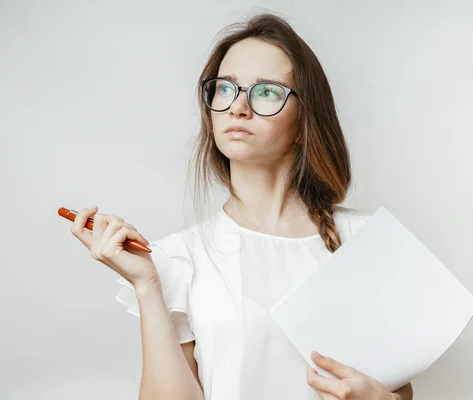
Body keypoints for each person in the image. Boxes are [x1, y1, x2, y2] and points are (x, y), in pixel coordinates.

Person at [70, 11, 414, 400]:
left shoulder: (365, 240)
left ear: (305, 121)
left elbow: (396, 388)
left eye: (266, 91)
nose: (238, 107)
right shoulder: (175, 260)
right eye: (225, 89)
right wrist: (147, 285)